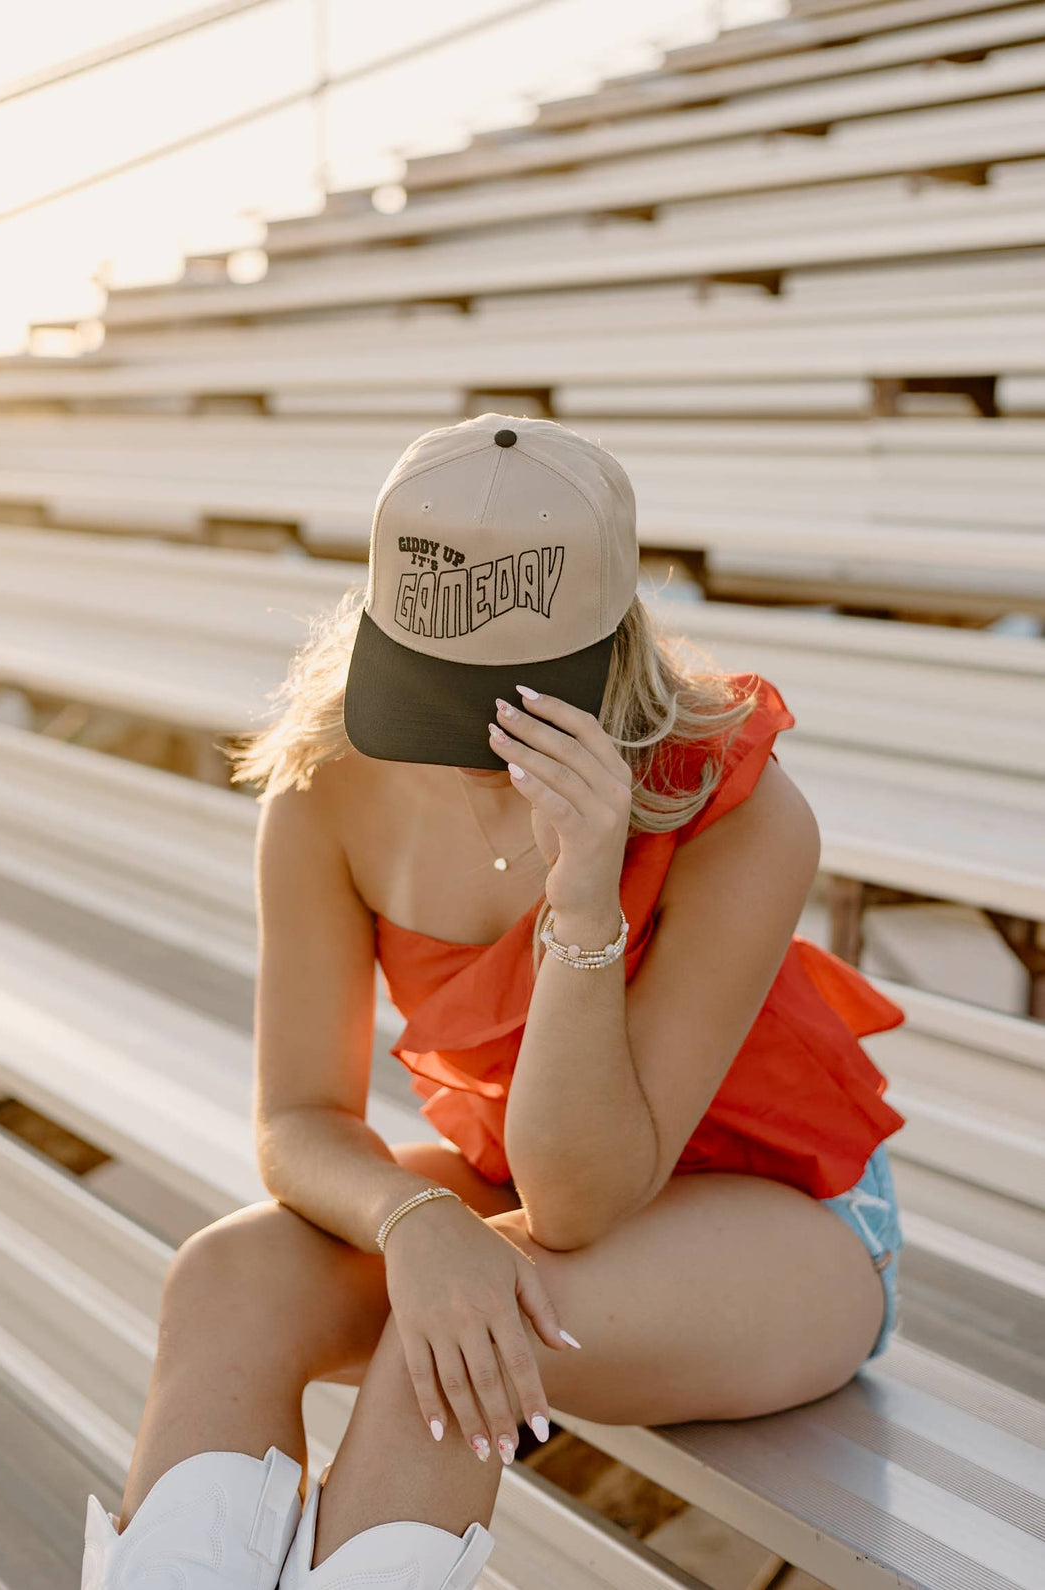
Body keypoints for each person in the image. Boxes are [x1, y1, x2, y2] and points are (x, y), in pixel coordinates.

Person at [81, 414, 908, 1590]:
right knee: (228, 1277)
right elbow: (300, 1120)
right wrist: (419, 1227)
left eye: (518, 689)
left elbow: (577, 1204)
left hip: (783, 1220)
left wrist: (584, 895)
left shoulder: (739, 806)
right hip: (516, 1184)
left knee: (463, 1338)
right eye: (435, 683)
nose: (473, 734)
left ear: (612, 641)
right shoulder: (329, 785)